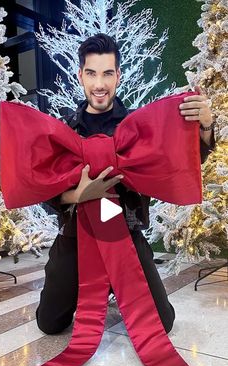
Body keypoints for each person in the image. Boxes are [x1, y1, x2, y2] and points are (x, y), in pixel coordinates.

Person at [36, 33, 215, 335]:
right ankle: (98, 285)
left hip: (125, 234)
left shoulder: (140, 126)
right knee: (50, 324)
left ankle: (112, 284)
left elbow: (180, 163)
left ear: (119, 75)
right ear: (80, 75)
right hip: (74, 236)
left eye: (107, 73)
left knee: (163, 323)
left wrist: (206, 126)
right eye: (91, 73)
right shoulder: (63, 128)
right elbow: (45, 190)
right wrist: (76, 195)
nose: (99, 84)